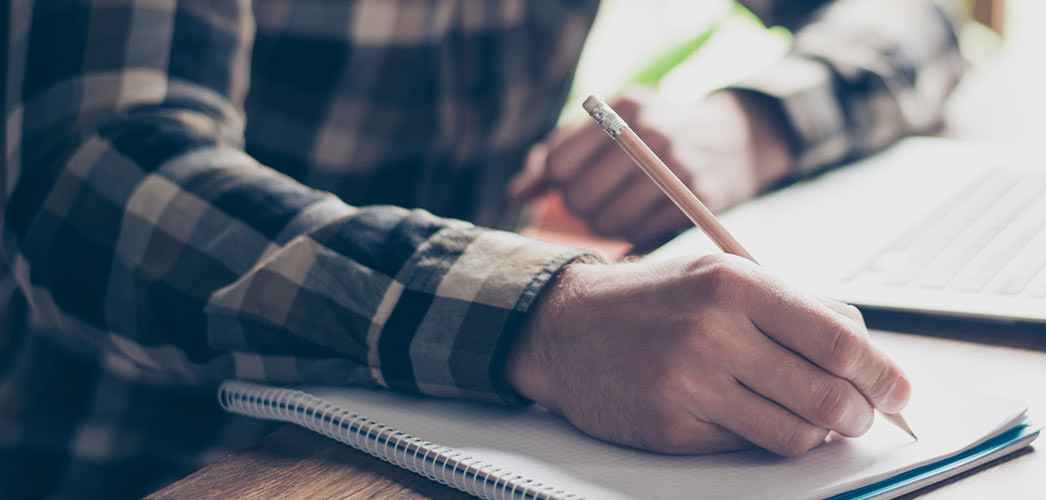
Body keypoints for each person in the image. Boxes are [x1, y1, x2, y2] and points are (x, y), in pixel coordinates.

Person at [0, 0, 967, 497]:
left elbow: (919, 18)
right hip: (152, 458)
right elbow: (90, 180)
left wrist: (751, 124)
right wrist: (543, 316)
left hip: (463, 439)